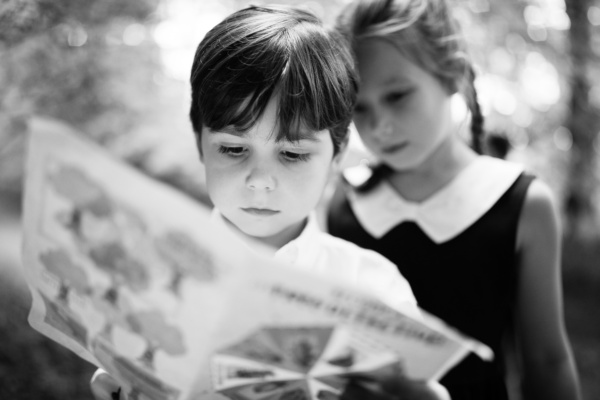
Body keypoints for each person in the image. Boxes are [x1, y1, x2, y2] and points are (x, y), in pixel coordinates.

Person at [90, 5, 449, 400]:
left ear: (337, 153)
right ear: (200, 143)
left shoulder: (375, 288)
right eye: (232, 148)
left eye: (292, 155)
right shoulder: (148, 268)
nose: (260, 181)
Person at [326, 1, 582, 399]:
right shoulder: (343, 204)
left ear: (452, 76)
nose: (380, 126)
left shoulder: (522, 202)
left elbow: (547, 361)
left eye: (396, 95)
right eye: (359, 109)